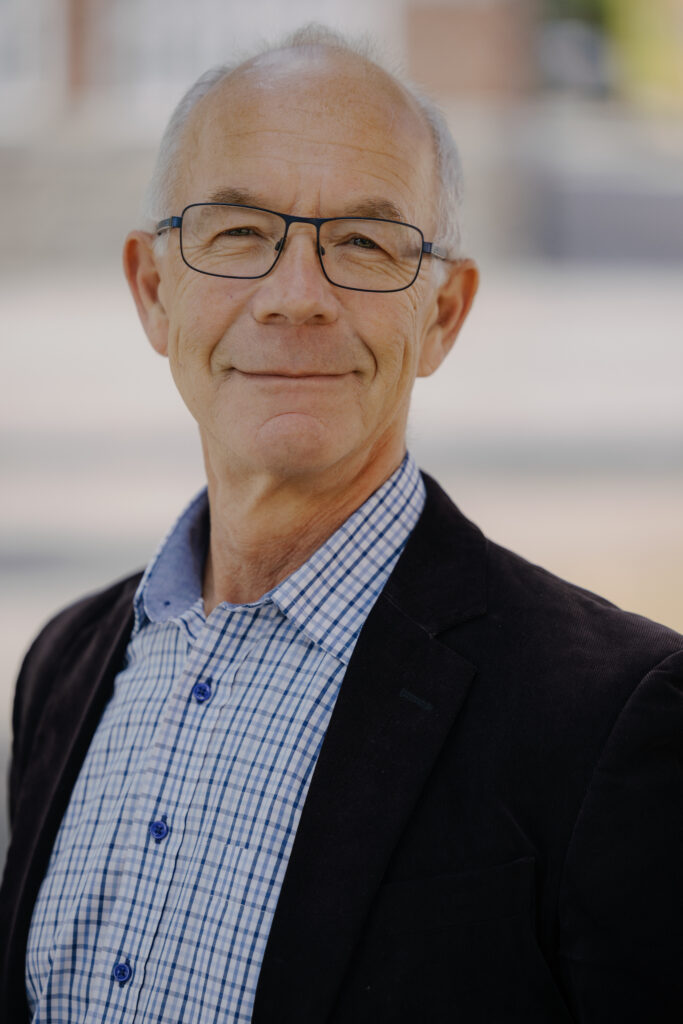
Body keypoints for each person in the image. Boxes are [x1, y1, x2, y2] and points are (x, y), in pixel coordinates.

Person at [1, 24, 681, 1024]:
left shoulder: (615, 713)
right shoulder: (63, 664)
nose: (297, 298)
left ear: (442, 315)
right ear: (153, 291)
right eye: (238, 232)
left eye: (363, 242)